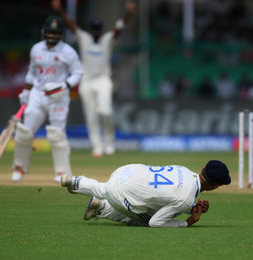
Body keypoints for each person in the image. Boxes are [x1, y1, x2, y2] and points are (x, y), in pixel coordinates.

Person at [52, 0, 136, 158]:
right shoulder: (84, 38)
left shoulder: (107, 39)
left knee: (106, 111)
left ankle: (109, 143)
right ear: (91, 30)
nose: (96, 32)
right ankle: (97, 146)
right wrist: (59, 10)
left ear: (101, 30)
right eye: (94, 30)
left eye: (98, 30)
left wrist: (128, 13)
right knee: (91, 116)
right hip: (87, 81)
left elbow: (118, 29)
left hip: (103, 79)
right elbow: (71, 25)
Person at [12, 16, 83, 183]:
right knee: (24, 132)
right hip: (37, 93)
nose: (52, 35)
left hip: (58, 96)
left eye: (56, 33)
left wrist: (65, 86)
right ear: (44, 32)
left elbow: (78, 73)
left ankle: (62, 172)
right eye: (50, 32)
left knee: (57, 134)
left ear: (61, 35)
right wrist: (26, 92)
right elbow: (32, 72)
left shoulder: (68, 52)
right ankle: (19, 167)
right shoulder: (36, 49)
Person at [60, 160, 231, 227]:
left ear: (202, 169)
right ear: (216, 186)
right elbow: (156, 223)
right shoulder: (185, 199)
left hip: (125, 171)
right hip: (122, 194)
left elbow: (171, 195)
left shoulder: (184, 170)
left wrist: (192, 206)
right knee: (146, 220)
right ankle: (102, 209)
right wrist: (186, 222)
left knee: (105, 188)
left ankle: (75, 181)